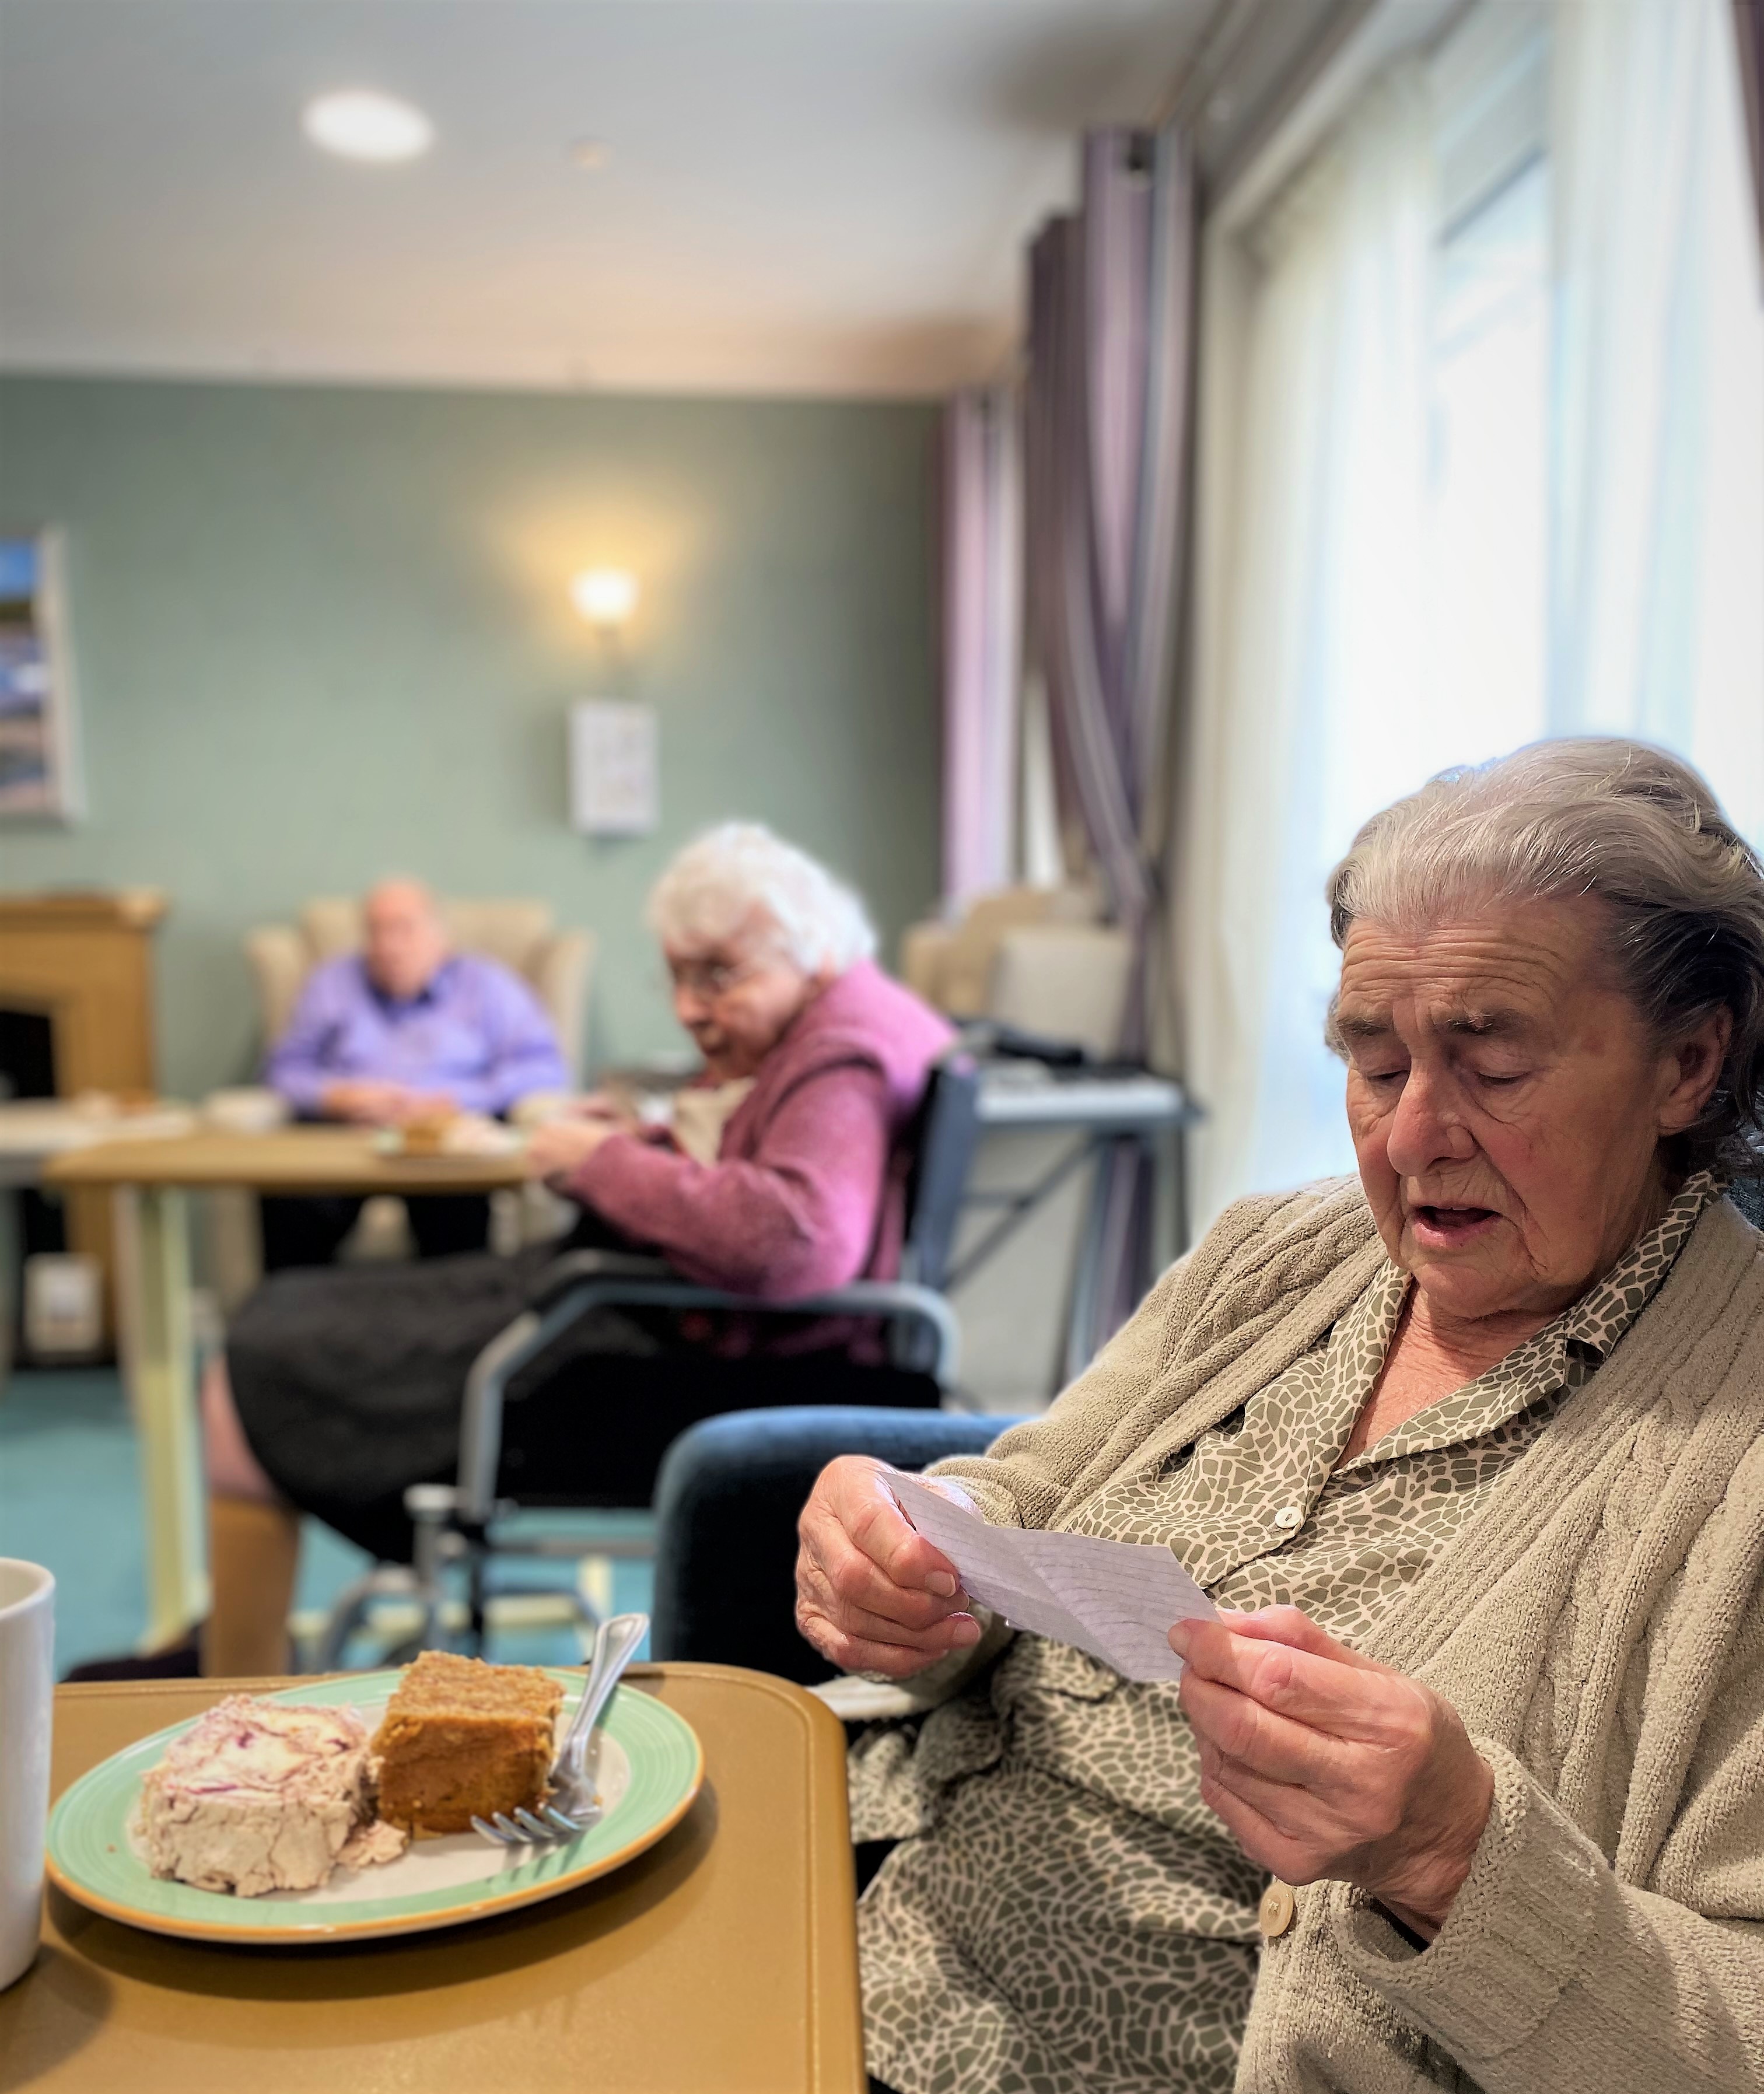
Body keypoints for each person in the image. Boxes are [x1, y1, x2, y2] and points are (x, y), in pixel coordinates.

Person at [795, 740, 1764, 2094]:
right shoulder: (1275, 1256)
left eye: (1492, 1062)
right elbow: (1025, 1488)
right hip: (859, 1954)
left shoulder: (1737, 1456)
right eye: (1375, 1063)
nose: (1414, 1134)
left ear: (1691, 1063)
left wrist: (1456, 1852)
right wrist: (915, 1553)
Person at [194, 823, 954, 1678]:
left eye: (718, 977)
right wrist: (647, 1144)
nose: (690, 1008)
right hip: (641, 1309)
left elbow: (796, 1238)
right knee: (279, 1311)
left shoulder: (841, 1050)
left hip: (676, 1356)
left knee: (254, 1359)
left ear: (806, 954)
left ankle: (231, 1676)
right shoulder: (836, 1013)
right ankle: (226, 1653)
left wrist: (603, 1162)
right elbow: (767, 1167)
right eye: (677, 977)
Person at [259, 878, 569, 1266]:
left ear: (442, 938)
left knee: (457, 1213)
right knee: (290, 1196)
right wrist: (335, 1097)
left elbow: (544, 1068)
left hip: (445, 1148)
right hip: (344, 1141)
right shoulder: (331, 984)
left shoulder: (488, 986)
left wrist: (453, 1101)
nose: (388, 946)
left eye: (404, 928)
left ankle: (461, 1322)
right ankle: (287, 1319)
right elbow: (285, 1069)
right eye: (376, 931)